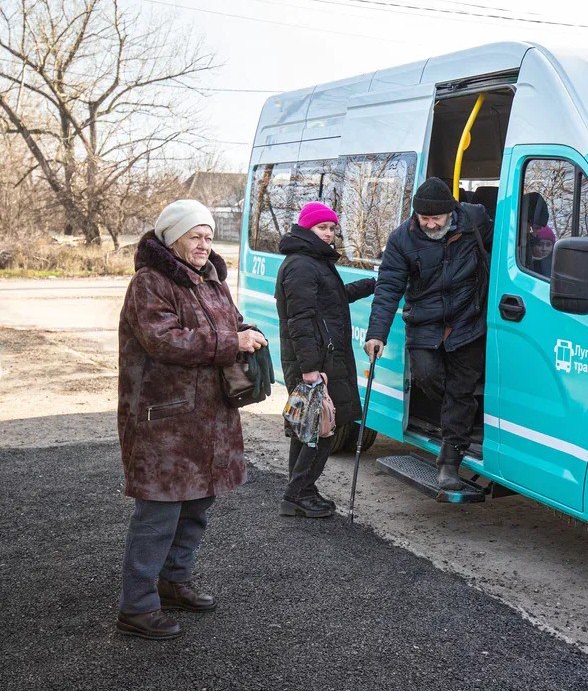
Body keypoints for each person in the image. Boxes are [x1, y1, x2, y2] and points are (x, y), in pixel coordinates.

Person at [116, 199, 267, 640]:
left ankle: (173, 582)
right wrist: (231, 340)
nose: (204, 244)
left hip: (209, 418)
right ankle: (136, 607)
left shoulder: (210, 280)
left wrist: (247, 333)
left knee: (198, 504)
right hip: (163, 420)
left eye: (208, 236)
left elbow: (231, 323)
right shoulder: (151, 282)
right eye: (195, 236)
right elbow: (165, 341)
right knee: (158, 514)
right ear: (172, 238)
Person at [364, 177, 493, 490]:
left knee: (461, 392)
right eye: (424, 219)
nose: (431, 224)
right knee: (428, 377)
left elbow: (506, 238)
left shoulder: (474, 222)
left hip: (468, 323)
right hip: (424, 326)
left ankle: (449, 463)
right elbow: (388, 287)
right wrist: (376, 333)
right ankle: (456, 415)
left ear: (451, 212)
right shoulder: (401, 240)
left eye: (436, 218)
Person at [274, 202, 377, 518]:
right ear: (307, 229)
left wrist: (374, 284)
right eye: (323, 228)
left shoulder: (313, 262)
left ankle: (301, 488)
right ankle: (298, 493)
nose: (330, 234)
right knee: (325, 428)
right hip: (314, 362)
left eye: (333, 228)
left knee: (307, 426)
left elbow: (333, 298)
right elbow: (300, 320)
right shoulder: (301, 265)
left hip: (320, 359)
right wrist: (310, 370)